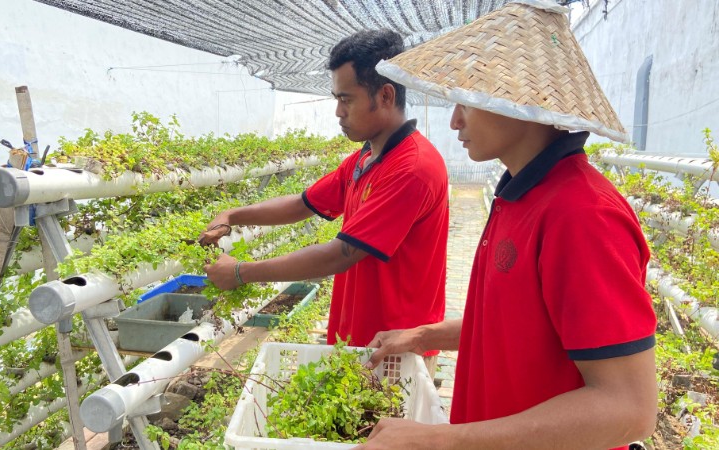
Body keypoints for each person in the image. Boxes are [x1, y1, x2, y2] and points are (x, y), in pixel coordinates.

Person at [355, 1, 658, 449]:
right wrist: (425, 335)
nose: (455, 119)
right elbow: (514, 326)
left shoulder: (581, 215)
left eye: (469, 101)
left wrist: (440, 440)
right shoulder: (519, 194)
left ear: (522, 102)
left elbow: (628, 409)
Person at [200, 29, 449, 353]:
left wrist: (239, 272)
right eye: (336, 100)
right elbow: (303, 204)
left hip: (395, 349)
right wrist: (232, 215)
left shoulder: (412, 169)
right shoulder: (366, 158)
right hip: (357, 341)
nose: (338, 112)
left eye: (346, 100)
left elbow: (339, 254)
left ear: (385, 96)